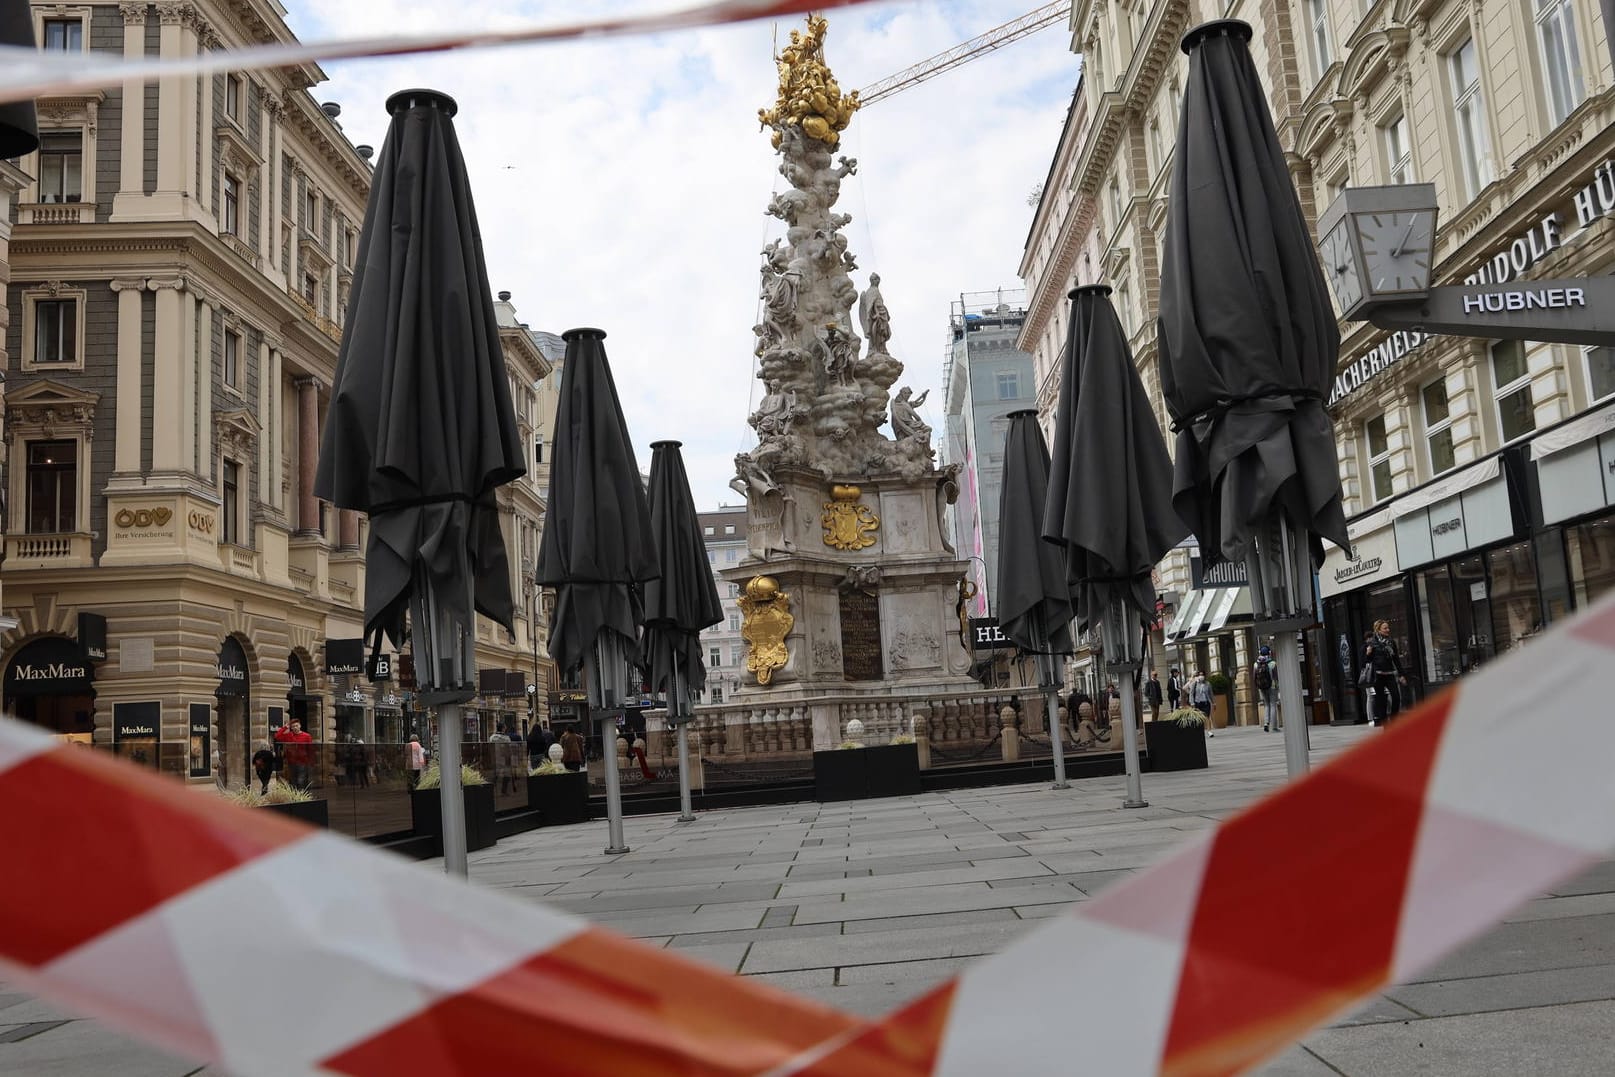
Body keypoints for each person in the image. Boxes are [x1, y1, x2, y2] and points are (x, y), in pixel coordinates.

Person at [1364, 619, 1407, 727]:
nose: (1388, 630)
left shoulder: (1391, 642)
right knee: (1381, 701)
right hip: (1378, 676)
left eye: (1388, 627)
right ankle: (1386, 726)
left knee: (1396, 697)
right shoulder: (1372, 642)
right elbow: (1366, 661)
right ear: (1378, 629)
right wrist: (1368, 654)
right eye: (1385, 628)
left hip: (1390, 674)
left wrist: (1402, 674)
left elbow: (1396, 659)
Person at [275, 718, 314, 790]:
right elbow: (277, 736)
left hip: (303, 762)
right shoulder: (289, 735)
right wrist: (285, 727)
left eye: (296, 726)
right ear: (291, 728)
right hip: (291, 762)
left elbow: (310, 750)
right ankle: (295, 798)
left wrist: (310, 761)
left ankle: (301, 797)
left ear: (300, 726)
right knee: (293, 781)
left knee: (301, 780)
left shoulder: (307, 736)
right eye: (293, 726)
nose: (295, 728)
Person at [1254, 645, 1280, 732]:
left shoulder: (1256, 664)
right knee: (1273, 704)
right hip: (1272, 686)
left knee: (1266, 705)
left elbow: (1254, 677)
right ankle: (1274, 727)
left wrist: (1258, 686)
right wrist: (1277, 685)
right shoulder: (1273, 663)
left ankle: (1266, 723)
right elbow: (1276, 677)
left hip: (1262, 687)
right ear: (1269, 653)